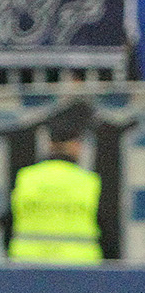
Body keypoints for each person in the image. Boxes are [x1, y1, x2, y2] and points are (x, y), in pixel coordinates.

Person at [6, 104, 103, 263]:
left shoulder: (26, 177)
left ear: (49, 144)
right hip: (79, 269)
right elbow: (107, 231)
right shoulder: (89, 181)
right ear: (76, 145)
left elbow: (7, 222)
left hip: (28, 267)